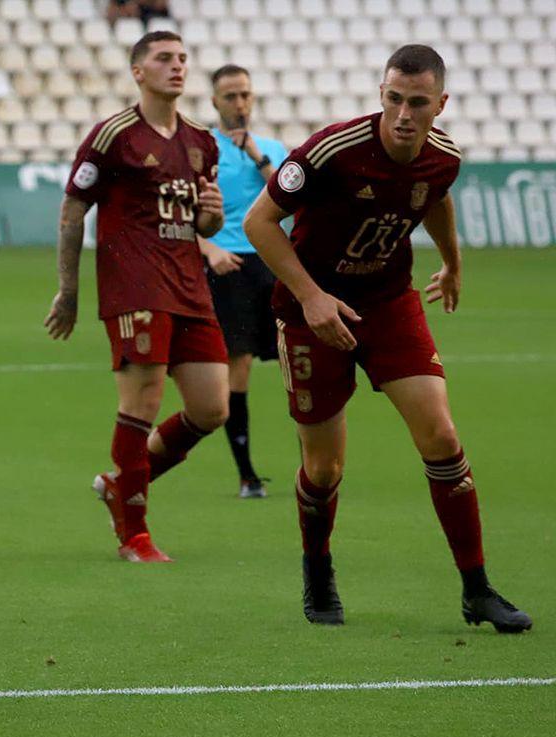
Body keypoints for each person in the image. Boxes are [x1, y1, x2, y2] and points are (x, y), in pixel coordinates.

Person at [243, 44, 531, 632]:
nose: (403, 113)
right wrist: (311, 297)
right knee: (323, 469)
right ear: (381, 94)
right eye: (394, 99)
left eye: (418, 103)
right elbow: (258, 223)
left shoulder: (443, 157)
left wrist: (452, 263)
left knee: (442, 435)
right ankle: (318, 571)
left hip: (388, 301)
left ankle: (476, 588)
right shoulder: (331, 151)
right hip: (310, 312)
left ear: (440, 104)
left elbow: (434, 200)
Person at [45, 31, 228, 563]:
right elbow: (73, 209)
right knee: (142, 401)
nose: (177, 67)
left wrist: (212, 214)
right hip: (135, 285)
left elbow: (205, 223)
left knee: (211, 408)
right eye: (164, 59)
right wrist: (70, 289)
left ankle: (117, 484)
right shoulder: (115, 136)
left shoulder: (200, 141)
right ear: (138, 71)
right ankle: (135, 534)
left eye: (183, 59)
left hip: (189, 285)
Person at [200, 64, 288, 498]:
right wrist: (208, 248)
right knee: (239, 367)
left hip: (273, 263)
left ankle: (318, 466)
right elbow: (182, 211)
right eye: (229, 96)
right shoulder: (201, 148)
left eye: (244, 95)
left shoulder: (271, 148)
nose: (238, 103)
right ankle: (247, 474)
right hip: (228, 266)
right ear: (214, 101)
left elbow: (292, 200)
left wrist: (258, 155)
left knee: (300, 359)